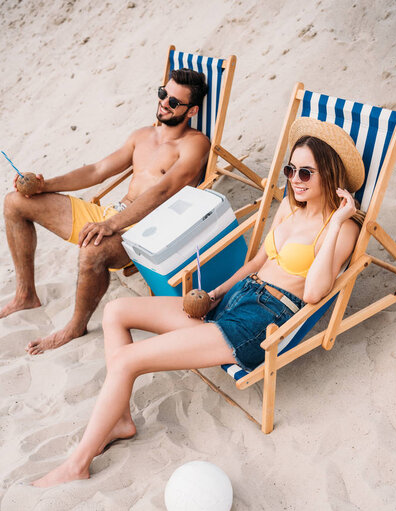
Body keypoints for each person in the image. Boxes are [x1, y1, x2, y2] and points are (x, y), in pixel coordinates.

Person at [32, 117, 365, 487]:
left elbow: (316, 293)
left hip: (261, 322)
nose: (296, 180)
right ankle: (121, 420)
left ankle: (76, 464)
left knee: (128, 360)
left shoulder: (342, 229)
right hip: (235, 300)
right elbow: (256, 263)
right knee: (116, 311)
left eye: (306, 173)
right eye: (291, 169)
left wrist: (336, 222)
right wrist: (216, 294)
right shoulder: (290, 207)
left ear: (330, 175)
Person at [1, 68, 210, 354]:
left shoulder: (195, 144)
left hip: (147, 229)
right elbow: (98, 170)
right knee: (15, 202)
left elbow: (165, 190)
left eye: (174, 102)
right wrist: (45, 185)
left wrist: (113, 224)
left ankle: (75, 326)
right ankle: (26, 295)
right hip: (115, 214)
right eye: (163, 94)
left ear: (192, 110)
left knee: (92, 250)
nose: (164, 103)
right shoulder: (142, 135)